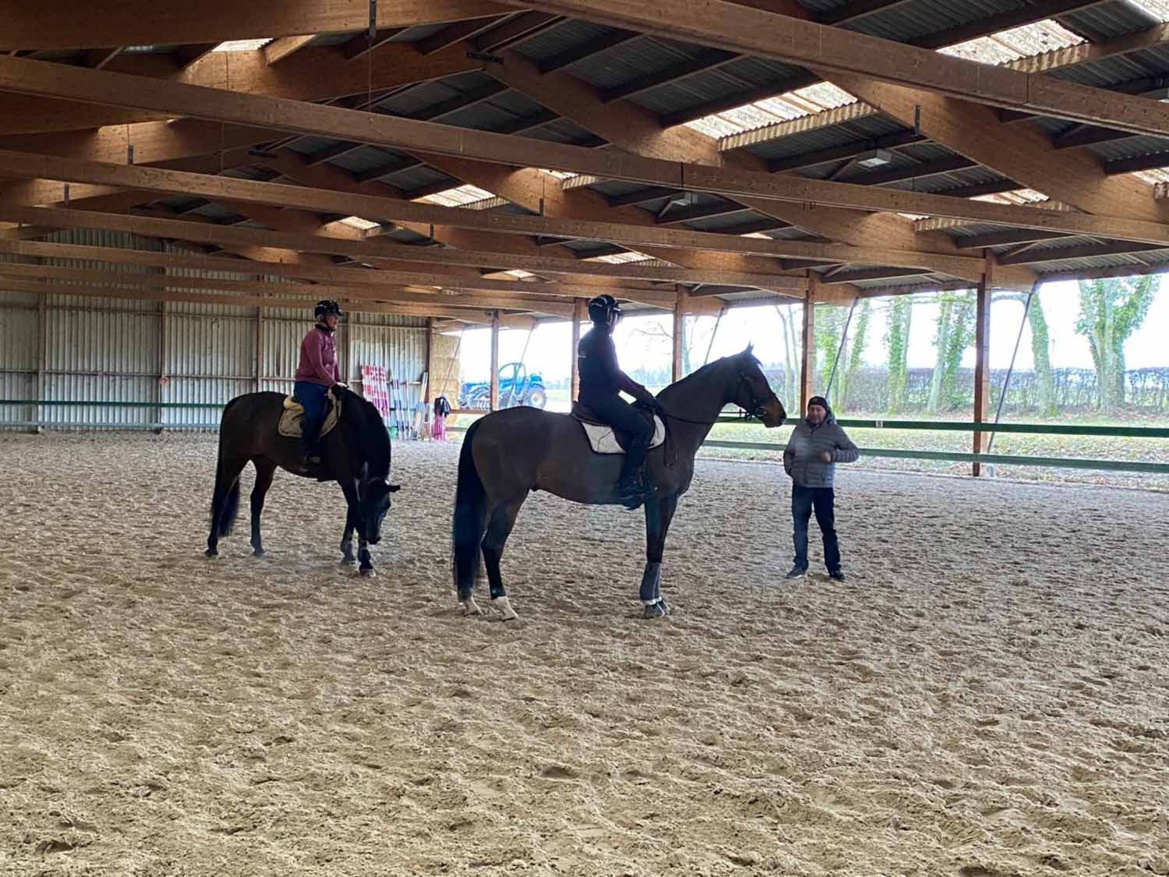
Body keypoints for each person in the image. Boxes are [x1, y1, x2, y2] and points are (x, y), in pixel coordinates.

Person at [577, 294, 663, 509]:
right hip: (603, 400)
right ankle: (627, 484)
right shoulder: (602, 339)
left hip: (588, 396)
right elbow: (615, 375)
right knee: (643, 429)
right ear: (610, 316)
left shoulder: (588, 337)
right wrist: (643, 395)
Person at [782, 395, 859, 581]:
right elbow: (788, 452)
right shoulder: (799, 430)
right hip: (800, 486)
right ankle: (799, 565)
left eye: (818, 410)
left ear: (825, 411)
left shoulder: (835, 431)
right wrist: (791, 470)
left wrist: (833, 456)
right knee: (800, 528)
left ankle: (834, 568)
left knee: (827, 528)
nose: (814, 413)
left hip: (823, 487)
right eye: (812, 409)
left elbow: (854, 452)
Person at [294, 299, 344, 468]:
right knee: (315, 413)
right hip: (308, 384)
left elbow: (334, 365)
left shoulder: (330, 338)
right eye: (333, 316)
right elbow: (318, 365)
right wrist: (333, 384)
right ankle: (306, 452)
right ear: (322, 317)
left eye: (337, 317)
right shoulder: (313, 337)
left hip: (324, 384)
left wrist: (339, 383)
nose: (336, 320)